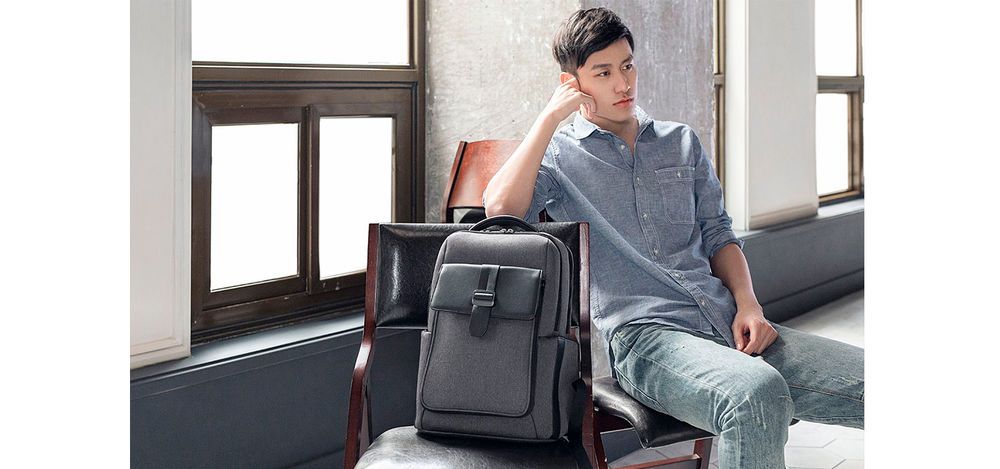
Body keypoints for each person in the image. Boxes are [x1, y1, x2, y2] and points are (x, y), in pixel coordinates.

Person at [482, 7, 863, 469]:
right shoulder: (560, 159)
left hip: (724, 322)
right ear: (572, 83)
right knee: (754, 394)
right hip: (646, 340)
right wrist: (548, 119)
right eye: (603, 73)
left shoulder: (680, 141)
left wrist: (748, 304)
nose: (623, 84)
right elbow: (499, 208)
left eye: (627, 66)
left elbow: (719, 234)